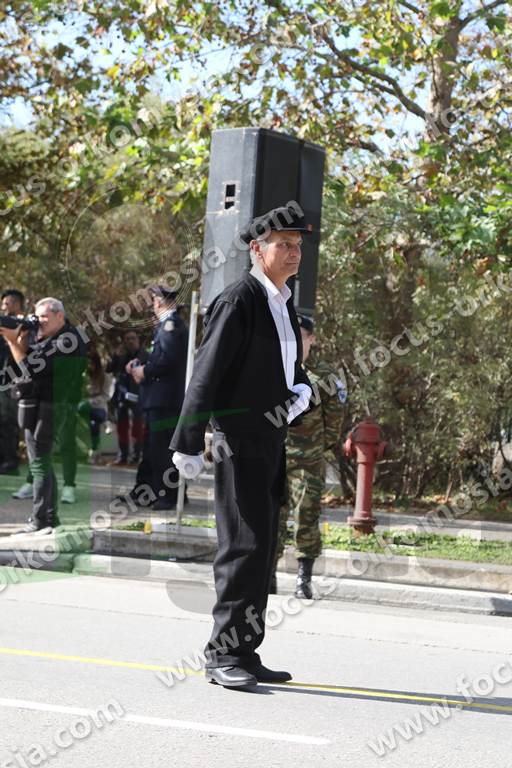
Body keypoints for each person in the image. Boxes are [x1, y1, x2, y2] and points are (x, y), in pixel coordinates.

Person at [170, 204, 313, 689]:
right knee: (241, 548)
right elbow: (206, 373)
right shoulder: (239, 300)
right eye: (284, 245)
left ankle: (245, 651)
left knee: (262, 548)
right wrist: (188, 441)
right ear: (257, 249)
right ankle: (221, 654)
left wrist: (302, 390)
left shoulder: (282, 301)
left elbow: (287, 366)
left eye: (298, 246)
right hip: (239, 442)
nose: (294, 253)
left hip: (270, 438)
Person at [274, 314, 346, 599]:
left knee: (305, 513)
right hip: (275, 454)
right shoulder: (276, 366)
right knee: (272, 514)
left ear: (311, 339)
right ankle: (267, 574)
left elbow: (335, 418)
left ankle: (304, 577)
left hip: (307, 459)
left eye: (300, 336)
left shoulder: (325, 375)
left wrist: (317, 447)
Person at [0, 297, 86, 534]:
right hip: (41, 405)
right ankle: (49, 518)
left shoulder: (67, 340)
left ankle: (41, 520)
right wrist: (21, 340)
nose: (40, 321)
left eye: (44, 317)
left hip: (50, 406)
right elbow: (31, 359)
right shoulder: (53, 338)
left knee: (39, 462)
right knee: (41, 462)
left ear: (60, 315)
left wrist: (12, 342)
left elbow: (29, 369)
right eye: (37, 317)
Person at [127, 285, 187, 511]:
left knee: (162, 449)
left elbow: (168, 360)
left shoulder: (170, 325)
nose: (153, 304)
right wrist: (141, 366)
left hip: (165, 400)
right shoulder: (167, 325)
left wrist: (144, 371)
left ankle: (167, 495)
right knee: (155, 447)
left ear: (159, 301)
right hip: (160, 398)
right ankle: (152, 491)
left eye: (154, 299)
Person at [107, 330, 147, 466]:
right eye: (127, 339)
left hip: (138, 395)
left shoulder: (144, 355)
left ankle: (136, 456)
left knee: (137, 427)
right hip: (122, 396)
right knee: (122, 426)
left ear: (138, 340)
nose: (130, 341)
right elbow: (109, 369)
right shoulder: (121, 355)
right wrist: (116, 356)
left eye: (133, 338)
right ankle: (122, 456)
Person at [0, 289, 25, 475]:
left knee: (8, 421)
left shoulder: (23, 326)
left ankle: (10, 461)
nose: (4, 308)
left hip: (13, 382)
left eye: (7, 304)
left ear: (17, 305)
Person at [78, 349, 114, 464]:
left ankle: (94, 450)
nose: (89, 366)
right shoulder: (84, 375)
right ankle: (105, 423)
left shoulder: (105, 377)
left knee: (94, 422)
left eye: (91, 363)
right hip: (83, 406)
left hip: (99, 407)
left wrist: (91, 401)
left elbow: (106, 396)